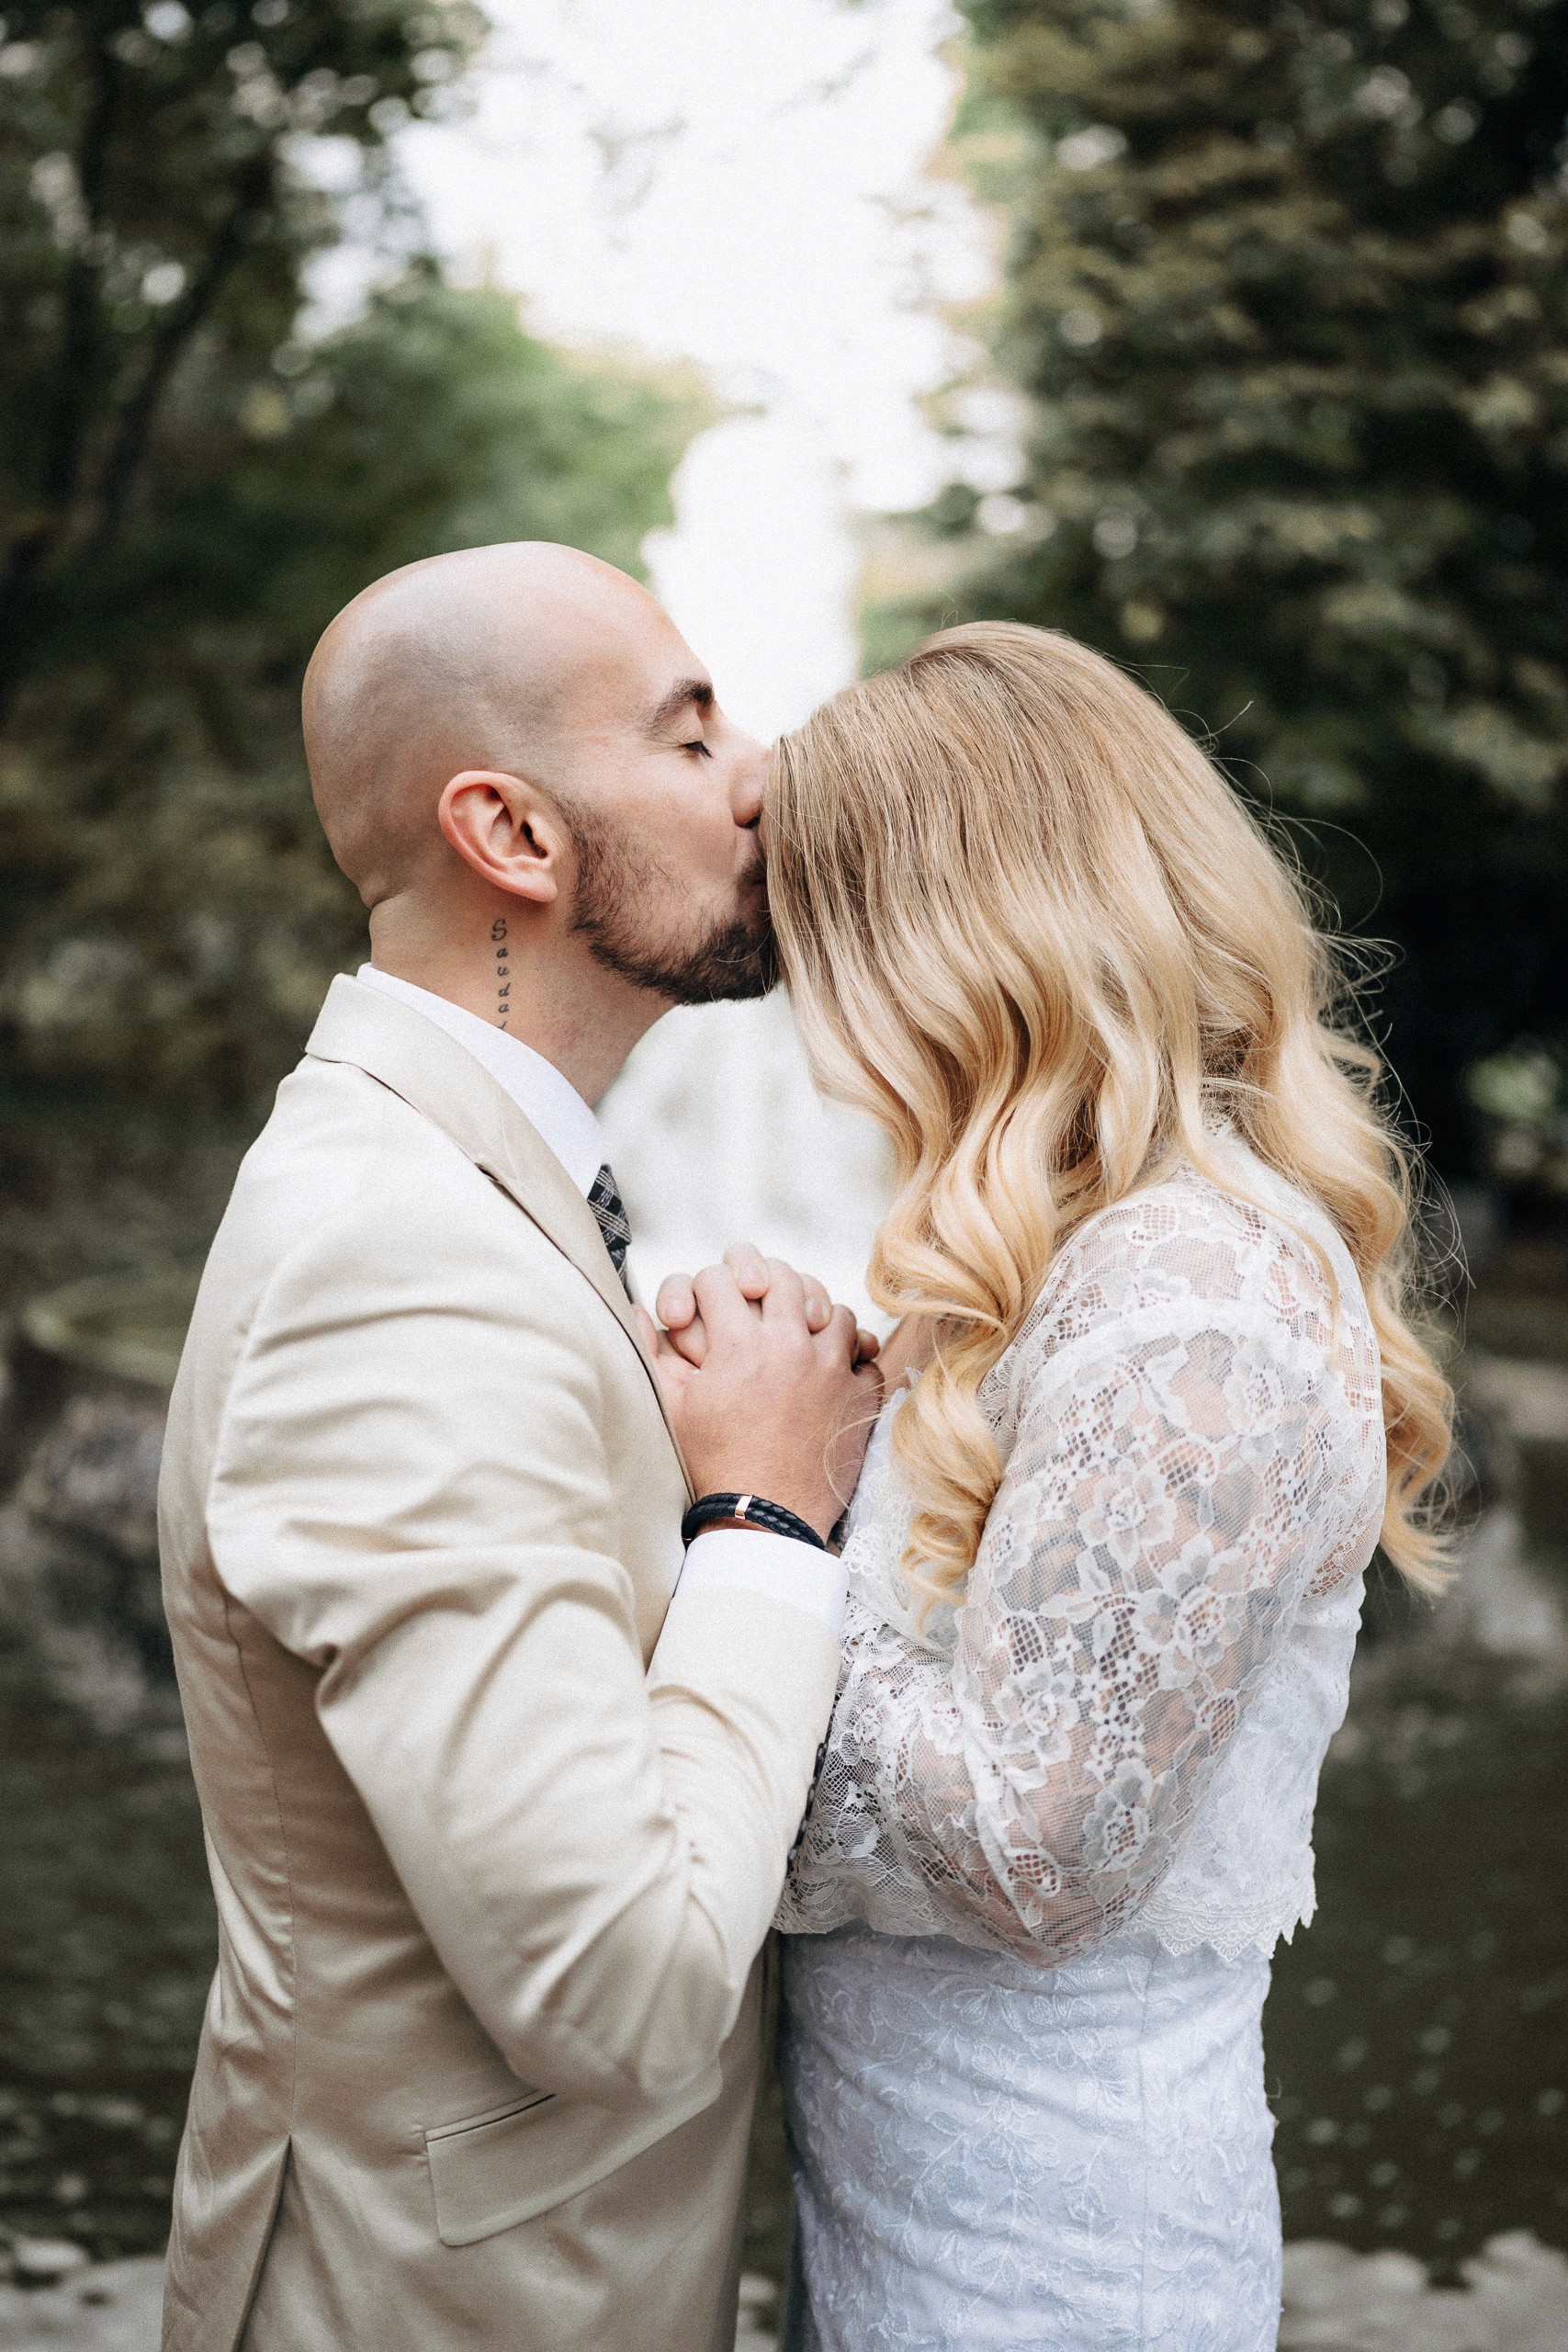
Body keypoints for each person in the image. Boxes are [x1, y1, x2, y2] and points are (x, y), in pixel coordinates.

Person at [658, 621, 1453, 2350]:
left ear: (932, 946)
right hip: (907, 2229)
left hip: (1060, 2273)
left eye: (820, 952)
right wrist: (833, 1425)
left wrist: (763, 1520)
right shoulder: (1087, 1259)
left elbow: (1038, 1854)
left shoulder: (1197, 1309)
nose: (806, 1031)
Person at [156, 540, 881, 2352]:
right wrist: (761, 1516)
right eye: (690, 731)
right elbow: (617, 1985)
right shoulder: (394, 1252)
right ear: (516, 834)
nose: (766, 771)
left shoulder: (457, 1182)